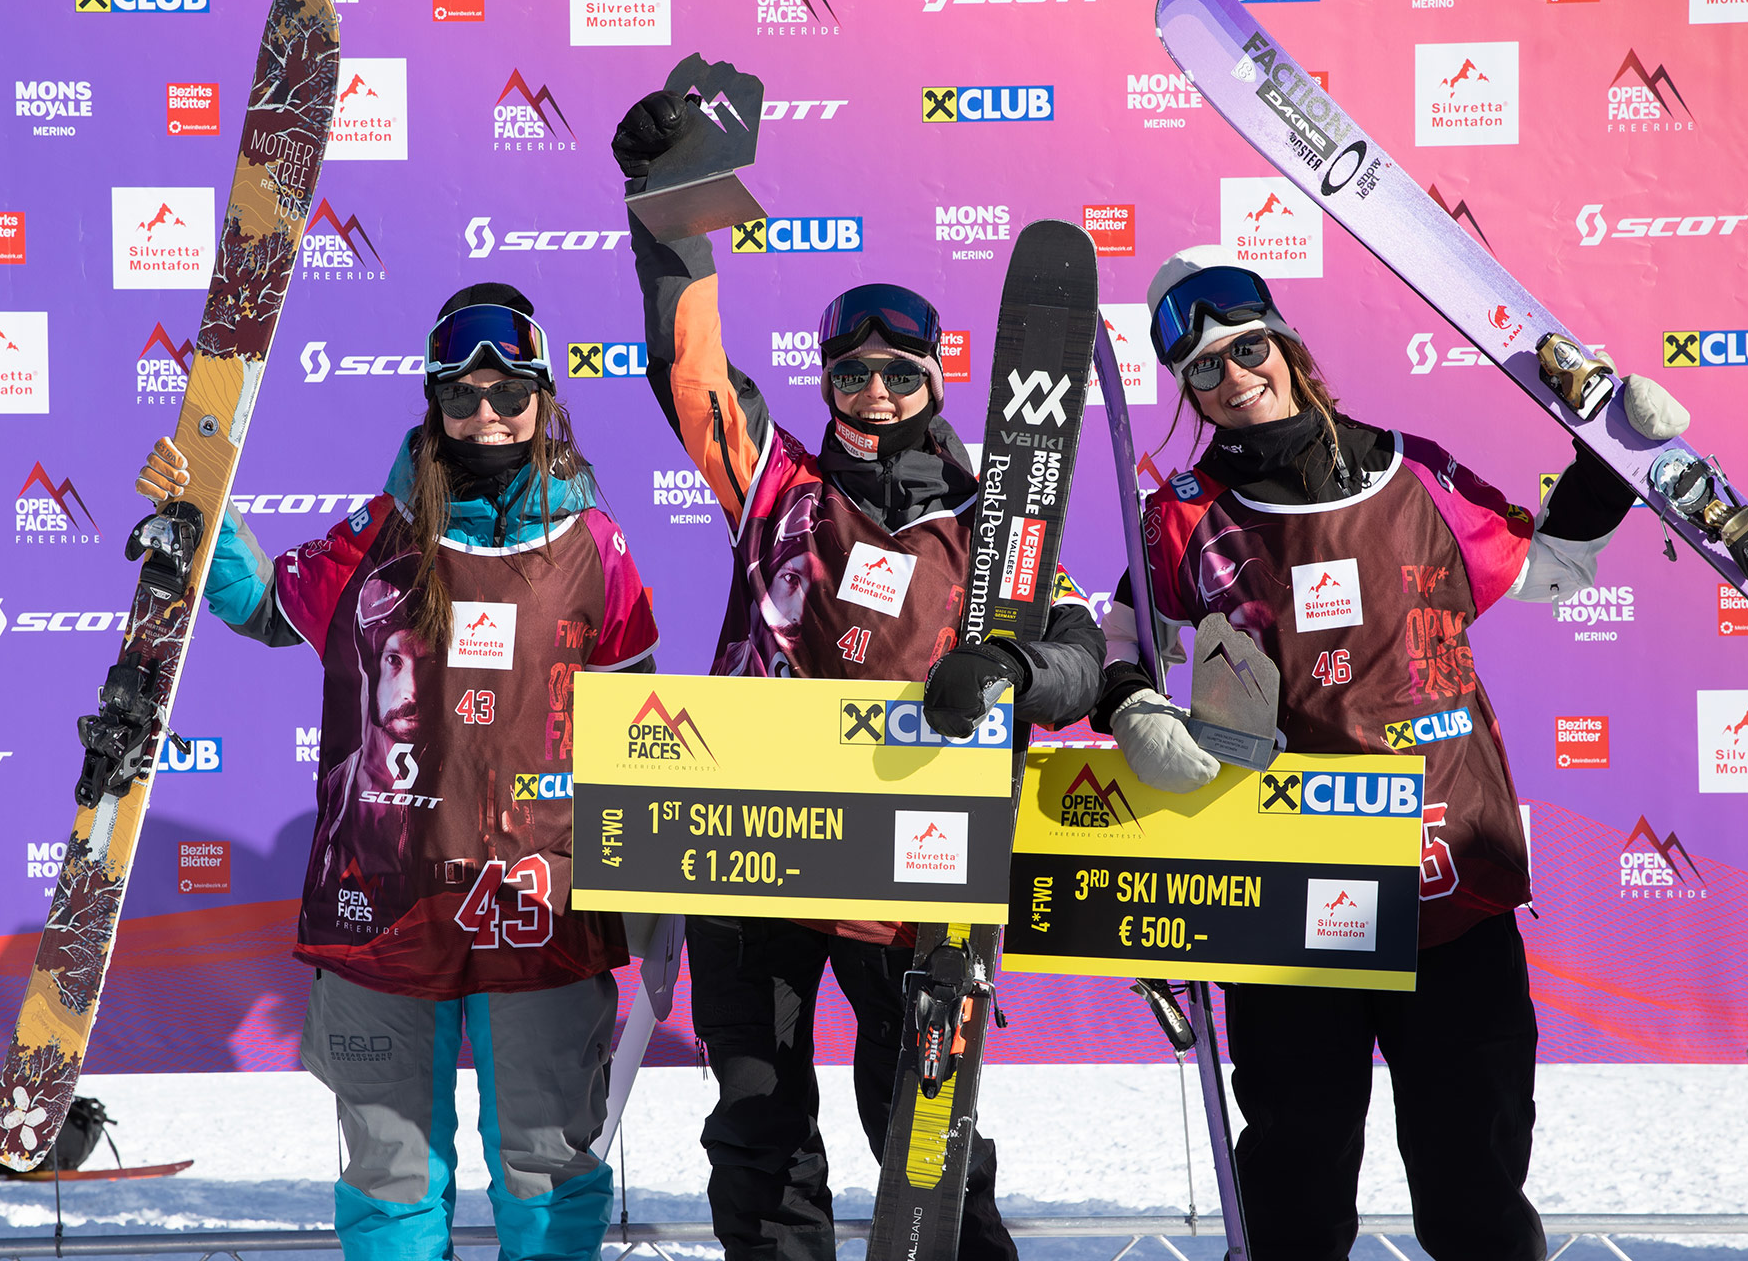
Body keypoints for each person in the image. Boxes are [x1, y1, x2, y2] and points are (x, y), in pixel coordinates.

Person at [1090, 249, 1689, 1261]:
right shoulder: (1182, 513)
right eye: (1205, 371)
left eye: (1247, 350)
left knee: (1476, 1184)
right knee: (1295, 1184)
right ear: (1187, 391)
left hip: (1449, 885)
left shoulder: (1409, 467)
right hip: (1285, 897)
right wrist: (1129, 704)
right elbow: (1119, 635)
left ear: (1282, 341)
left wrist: (1611, 465)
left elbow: (1545, 570)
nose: (1236, 379)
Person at [612, 91, 1106, 1261]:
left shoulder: (1002, 522)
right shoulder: (776, 489)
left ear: (934, 382)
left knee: (927, 1134)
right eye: (851, 376)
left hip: (913, 861)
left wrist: (1010, 669)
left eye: (896, 373)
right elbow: (688, 372)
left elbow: (1082, 656)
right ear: (825, 386)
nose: (874, 394)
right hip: (755, 844)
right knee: (760, 1122)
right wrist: (669, 219)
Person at [136, 283, 659, 1261]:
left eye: (510, 393)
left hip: (541, 903)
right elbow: (261, 606)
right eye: (463, 394)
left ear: (546, 399)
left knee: (548, 1166)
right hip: (381, 906)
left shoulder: (598, 548)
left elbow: (643, 727)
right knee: (390, 1169)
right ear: (433, 403)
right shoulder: (381, 534)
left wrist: (660, 900)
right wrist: (200, 510)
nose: (487, 415)